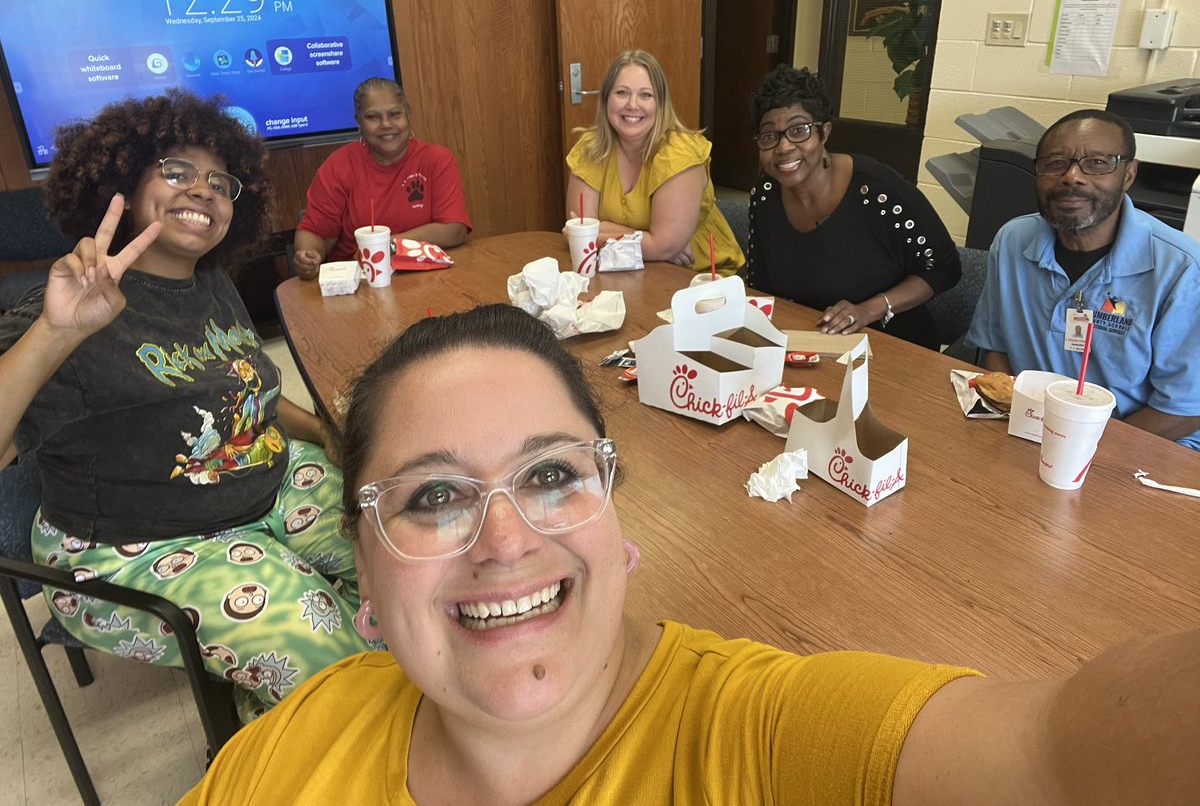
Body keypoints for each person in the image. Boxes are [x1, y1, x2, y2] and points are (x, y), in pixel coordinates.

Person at [183, 303, 1199, 804]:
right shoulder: (290, 751)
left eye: (550, 476)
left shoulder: (752, 739)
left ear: (618, 527)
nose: (504, 542)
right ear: (359, 571)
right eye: (435, 496)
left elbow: (1057, 759)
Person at [0, 91, 370, 721]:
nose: (203, 190)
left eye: (220, 182)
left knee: (409, 555)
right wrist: (58, 333)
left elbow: (242, 400)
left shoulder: (212, 284)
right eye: (176, 172)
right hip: (135, 546)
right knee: (330, 662)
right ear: (123, 183)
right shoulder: (67, 309)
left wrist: (327, 434)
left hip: (270, 488)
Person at [966, 109, 1200, 451]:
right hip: (1033, 434)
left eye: (1097, 162)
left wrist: (1077, 447)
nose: (1072, 176)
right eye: (1055, 162)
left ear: (1129, 174)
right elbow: (995, 349)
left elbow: (1184, 411)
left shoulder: (1181, 270)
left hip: (1142, 445)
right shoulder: (1013, 241)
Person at [745, 65, 960, 349]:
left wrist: (868, 309)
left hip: (892, 347)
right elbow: (759, 284)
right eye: (769, 136)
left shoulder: (877, 192)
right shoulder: (765, 195)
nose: (783, 147)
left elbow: (944, 266)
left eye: (799, 130)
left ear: (824, 133)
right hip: (808, 345)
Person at [565, 49, 744, 275]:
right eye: (622, 92)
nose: (632, 105)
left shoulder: (679, 154)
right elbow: (578, 231)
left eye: (646, 95)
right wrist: (652, 244)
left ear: (661, 103)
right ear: (605, 99)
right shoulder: (590, 149)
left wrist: (658, 246)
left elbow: (588, 234)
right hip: (619, 267)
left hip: (697, 275)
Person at [293, 77, 471, 280]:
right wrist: (309, 256)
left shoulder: (436, 159)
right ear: (359, 122)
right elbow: (315, 233)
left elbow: (454, 230)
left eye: (395, 114)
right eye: (373, 117)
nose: (386, 124)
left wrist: (388, 244)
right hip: (359, 284)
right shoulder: (338, 165)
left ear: (408, 115)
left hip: (426, 278)